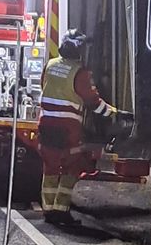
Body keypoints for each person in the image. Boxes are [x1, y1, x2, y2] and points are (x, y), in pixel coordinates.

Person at [37, 29, 129, 225]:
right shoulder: (80, 73)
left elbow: (43, 86)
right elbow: (94, 103)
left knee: (50, 167)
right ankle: (61, 211)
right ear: (79, 50)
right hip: (68, 129)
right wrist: (117, 114)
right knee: (71, 168)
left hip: (45, 125)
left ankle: (48, 211)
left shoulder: (50, 65)